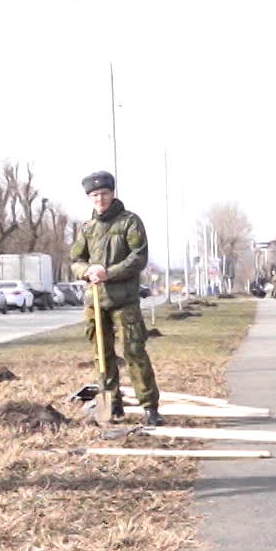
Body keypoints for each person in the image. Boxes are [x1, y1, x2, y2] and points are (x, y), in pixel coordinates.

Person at [68, 171, 162, 426]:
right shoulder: (87, 228)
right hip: (95, 302)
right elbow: (75, 259)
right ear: (90, 198)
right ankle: (113, 403)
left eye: (104, 194)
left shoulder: (129, 222)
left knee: (134, 352)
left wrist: (108, 273)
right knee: (102, 354)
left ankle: (149, 407)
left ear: (112, 194)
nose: (100, 199)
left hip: (124, 301)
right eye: (95, 195)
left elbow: (138, 257)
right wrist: (86, 271)